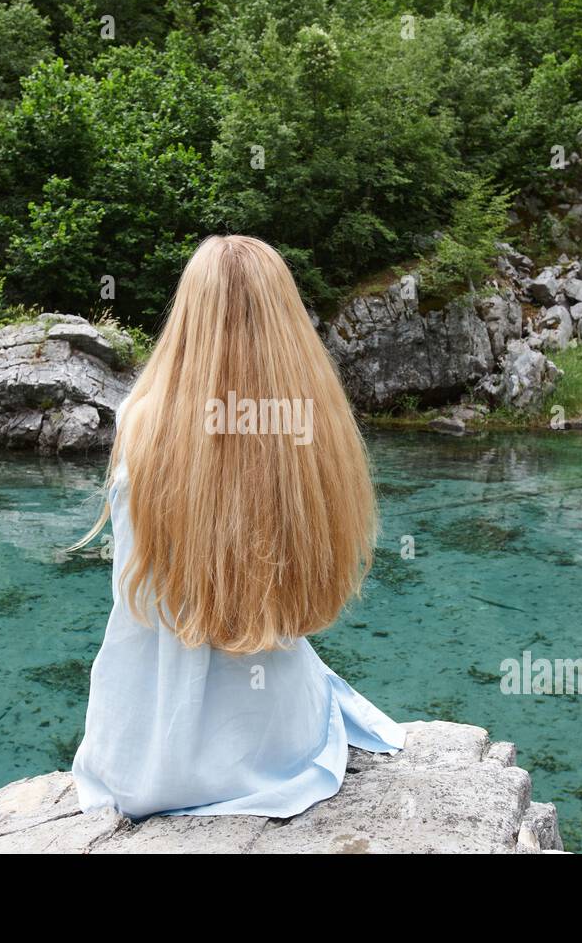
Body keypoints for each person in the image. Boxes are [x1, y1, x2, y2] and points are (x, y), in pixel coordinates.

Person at [70, 234, 405, 820]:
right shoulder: (314, 429)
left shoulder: (139, 422)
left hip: (143, 754)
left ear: (188, 315)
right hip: (278, 742)